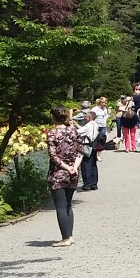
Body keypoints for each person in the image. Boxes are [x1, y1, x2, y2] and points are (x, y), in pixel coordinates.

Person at [47, 105, 86, 246]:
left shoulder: (52, 133)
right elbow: (81, 151)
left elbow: (53, 156)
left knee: (61, 207)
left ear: (53, 117)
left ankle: (65, 238)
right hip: (73, 172)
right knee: (68, 204)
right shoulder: (74, 131)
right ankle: (69, 235)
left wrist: (66, 167)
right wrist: (74, 167)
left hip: (58, 173)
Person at [77, 109, 102, 190]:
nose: (84, 117)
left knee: (86, 165)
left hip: (87, 145)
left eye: (85, 116)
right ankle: (94, 184)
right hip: (94, 145)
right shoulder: (95, 124)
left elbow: (79, 132)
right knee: (93, 165)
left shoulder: (89, 125)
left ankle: (87, 184)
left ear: (89, 117)